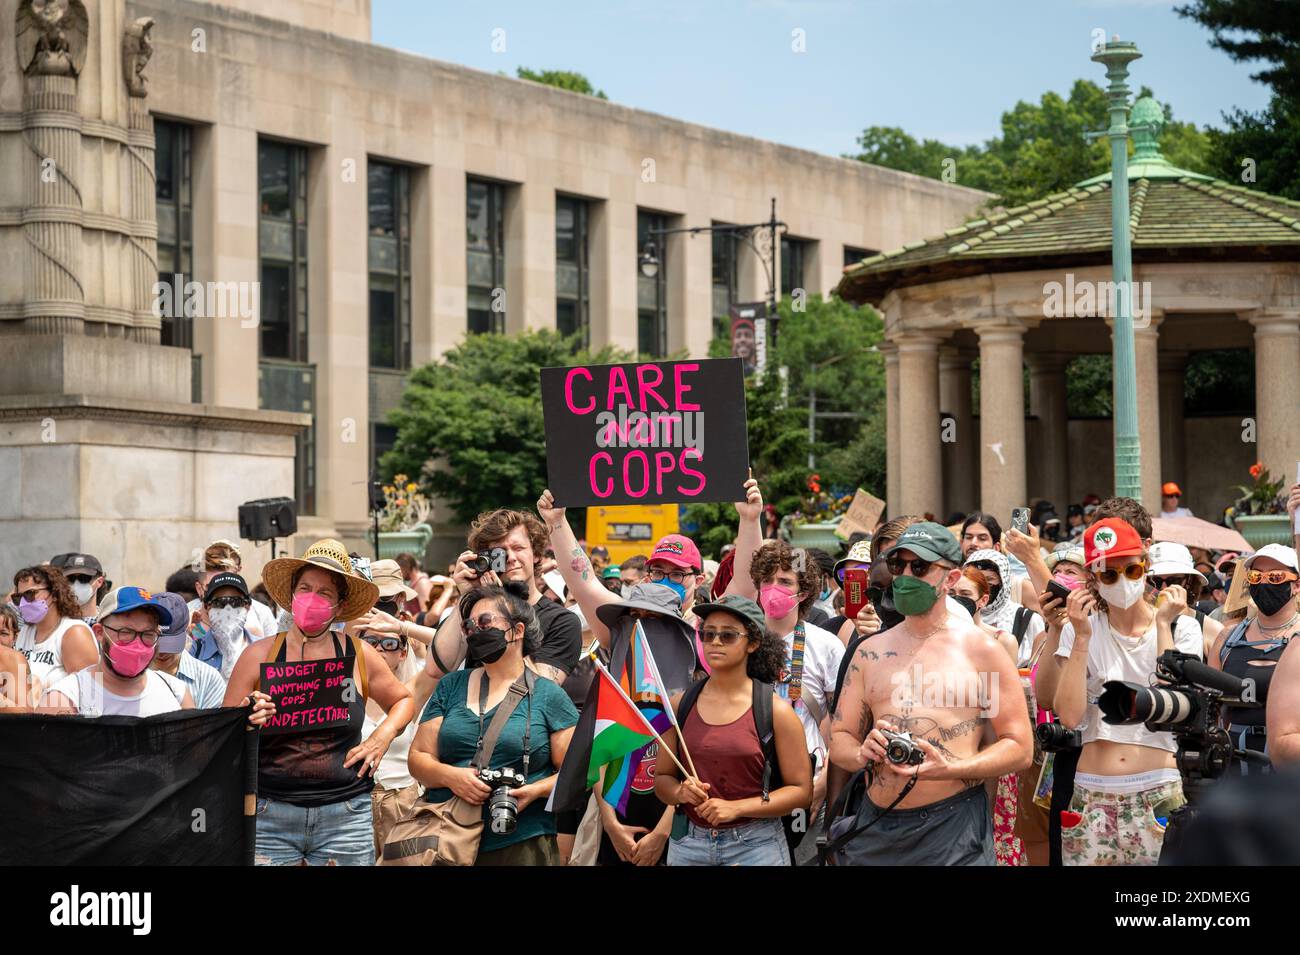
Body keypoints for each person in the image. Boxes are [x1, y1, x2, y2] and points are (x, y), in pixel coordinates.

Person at [828, 522, 1033, 865]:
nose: (905, 576)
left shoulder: (983, 651)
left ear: (950, 579)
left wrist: (951, 766)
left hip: (952, 829)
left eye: (919, 567)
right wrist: (863, 752)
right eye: (898, 566)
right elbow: (840, 738)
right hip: (877, 827)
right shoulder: (869, 652)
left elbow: (1019, 747)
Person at [223, 540, 416, 866]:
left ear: (339, 606)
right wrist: (246, 715)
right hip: (271, 814)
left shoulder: (359, 654)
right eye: (306, 588)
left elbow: (404, 700)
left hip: (346, 816)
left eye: (324, 593)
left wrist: (380, 738)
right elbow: (222, 730)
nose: (312, 599)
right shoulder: (259, 655)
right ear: (292, 597)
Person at [1054, 518, 1203, 865]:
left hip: (1158, 789)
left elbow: (1176, 705)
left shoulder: (1182, 625)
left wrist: (1164, 623)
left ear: (1146, 566)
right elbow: (1070, 716)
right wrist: (1081, 638)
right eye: (1109, 574)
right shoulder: (1081, 630)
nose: (1122, 581)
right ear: (1092, 578)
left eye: (1132, 570)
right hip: (1091, 793)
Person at [408, 584, 578, 865]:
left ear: (518, 630)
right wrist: (452, 777)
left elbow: (575, 772)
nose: (476, 630)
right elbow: (418, 758)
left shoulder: (548, 694)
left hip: (522, 842)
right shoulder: (451, 685)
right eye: (469, 625)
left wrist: (533, 791)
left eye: (485, 622)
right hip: (447, 840)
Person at [654, 595, 812, 866]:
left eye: (728, 636)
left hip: (757, 845)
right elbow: (662, 778)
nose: (715, 642)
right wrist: (680, 792)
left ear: (752, 643)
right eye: (707, 634)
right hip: (689, 843)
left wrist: (735, 808)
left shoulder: (775, 711)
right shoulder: (681, 704)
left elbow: (801, 791)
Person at [409, 509, 582, 715]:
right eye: (499, 552)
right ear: (486, 559)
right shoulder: (475, 614)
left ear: (536, 555)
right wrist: (465, 595)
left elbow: (539, 691)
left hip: (524, 738)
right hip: (467, 726)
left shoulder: (562, 621)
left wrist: (505, 604)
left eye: (518, 548)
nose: (510, 557)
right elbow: (436, 669)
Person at [1211, 543, 1299, 772]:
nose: (1265, 583)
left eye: (1276, 577)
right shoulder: (1227, 638)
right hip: (1233, 761)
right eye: (1256, 576)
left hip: (1289, 764)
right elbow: (1210, 706)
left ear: (1296, 585)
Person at [39, 587, 193, 717]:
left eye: (148, 634)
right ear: (99, 632)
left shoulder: (176, 693)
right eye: (126, 632)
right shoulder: (66, 699)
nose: (138, 645)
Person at [359, 623, 423, 861]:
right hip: (354, 804)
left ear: (403, 653)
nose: (379, 649)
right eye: (370, 642)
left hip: (402, 803)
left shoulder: (414, 691)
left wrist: (401, 626)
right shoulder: (343, 692)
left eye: (389, 644)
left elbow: (445, 655)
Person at [11, 565, 98, 688]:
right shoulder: (26, 632)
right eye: (18, 597)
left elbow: (90, 693)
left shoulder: (74, 633)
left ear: (55, 594)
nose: (23, 602)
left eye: (30, 594)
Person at [963, 549, 1045, 667]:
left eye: (989, 579)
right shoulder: (954, 615)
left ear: (1003, 582)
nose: (982, 586)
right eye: (975, 580)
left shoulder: (1027, 619)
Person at [189, 540, 279, 639]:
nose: (221, 594)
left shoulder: (261, 614)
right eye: (211, 586)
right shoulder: (185, 616)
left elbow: (275, 650)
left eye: (228, 586)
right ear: (199, 589)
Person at [1146, 541, 1222, 658]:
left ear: (1188, 581)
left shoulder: (1211, 629)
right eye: (1155, 581)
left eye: (1174, 581)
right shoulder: (1134, 624)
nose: (1164, 588)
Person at [151, 591, 226, 709]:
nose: (162, 652)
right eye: (154, 640)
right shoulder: (127, 676)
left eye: (171, 643)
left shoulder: (208, 679)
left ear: (188, 629)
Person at [189, 571, 259, 680]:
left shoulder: (264, 649)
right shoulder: (194, 651)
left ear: (248, 606)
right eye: (219, 602)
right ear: (207, 607)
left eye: (236, 602)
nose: (228, 609)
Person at [48, 553, 107, 624]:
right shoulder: (55, 622)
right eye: (70, 578)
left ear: (99, 582)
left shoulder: (106, 622)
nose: (76, 584)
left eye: (84, 578)